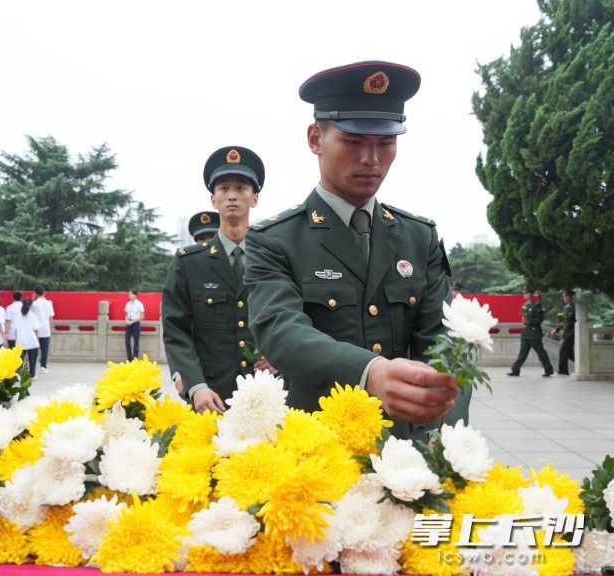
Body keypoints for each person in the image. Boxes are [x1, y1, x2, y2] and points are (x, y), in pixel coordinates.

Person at [244, 61, 467, 442]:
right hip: (316, 445)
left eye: (386, 143)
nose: (372, 159)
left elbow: (445, 345)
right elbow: (282, 332)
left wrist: (443, 434)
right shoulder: (274, 240)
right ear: (315, 138)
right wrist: (370, 371)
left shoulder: (419, 237)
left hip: (405, 450)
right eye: (353, 141)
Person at [163, 145, 275, 414]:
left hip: (269, 394)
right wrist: (195, 385)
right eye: (223, 188)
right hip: (211, 399)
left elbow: (296, 317)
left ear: (255, 198)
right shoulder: (189, 262)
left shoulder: (276, 256)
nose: (232, 196)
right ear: (213, 199)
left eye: (241, 188)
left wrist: (281, 359)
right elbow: (176, 330)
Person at [508, 287, 554, 377]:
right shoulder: (525, 306)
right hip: (525, 333)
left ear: (532, 294)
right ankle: (515, 370)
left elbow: (539, 320)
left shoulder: (536, 306)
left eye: (527, 293)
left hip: (534, 334)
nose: (524, 295)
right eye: (524, 293)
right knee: (522, 354)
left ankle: (548, 370)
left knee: (541, 353)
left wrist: (528, 322)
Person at [11, 297, 40, 377]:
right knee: (32, 360)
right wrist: (37, 341)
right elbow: (36, 330)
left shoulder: (18, 316)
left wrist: (16, 341)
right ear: (31, 306)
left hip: (20, 341)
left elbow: (16, 330)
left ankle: (18, 374)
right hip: (32, 341)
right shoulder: (33, 316)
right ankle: (32, 375)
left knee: (19, 360)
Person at [550, 290, 576, 375]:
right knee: (569, 353)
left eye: (566, 296)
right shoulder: (563, 308)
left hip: (572, 333)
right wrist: (556, 330)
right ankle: (583, 363)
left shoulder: (575, 308)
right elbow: (561, 321)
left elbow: (577, 322)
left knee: (563, 351)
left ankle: (563, 370)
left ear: (571, 297)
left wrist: (568, 324)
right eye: (564, 296)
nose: (564, 298)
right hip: (566, 333)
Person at [31, 286, 55, 373]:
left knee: (34, 348)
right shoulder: (49, 303)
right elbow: (51, 317)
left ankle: (33, 365)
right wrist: (50, 326)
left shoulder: (34, 304)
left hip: (35, 329)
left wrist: (32, 299)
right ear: (44, 292)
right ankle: (43, 366)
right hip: (45, 329)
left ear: (36, 293)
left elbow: (30, 315)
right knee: (44, 349)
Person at [124, 289, 144, 361]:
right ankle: (129, 359)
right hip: (128, 324)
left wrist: (133, 321)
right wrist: (126, 320)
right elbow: (126, 314)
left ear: (135, 295)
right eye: (129, 294)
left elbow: (142, 316)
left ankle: (135, 359)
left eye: (131, 294)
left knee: (136, 342)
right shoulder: (128, 304)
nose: (130, 295)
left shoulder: (139, 304)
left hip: (135, 324)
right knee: (127, 341)